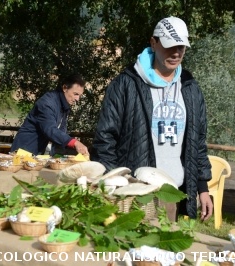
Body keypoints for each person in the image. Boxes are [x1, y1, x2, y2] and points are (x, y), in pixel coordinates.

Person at [91, 16, 213, 221]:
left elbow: (197, 143)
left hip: (173, 193)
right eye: (169, 46)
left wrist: (203, 187)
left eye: (181, 47)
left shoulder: (191, 88)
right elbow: (105, 139)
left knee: (164, 251)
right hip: (134, 193)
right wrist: (114, 183)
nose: (176, 53)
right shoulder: (125, 85)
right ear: (153, 43)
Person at [10, 74, 89, 156]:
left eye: (79, 95)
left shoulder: (64, 106)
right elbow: (50, 130)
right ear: (65, 88)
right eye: (75, 94)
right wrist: (75, 143)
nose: (77, 99)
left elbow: (61, 132)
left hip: (40, 154)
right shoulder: (47, 103)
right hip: (25, 151)